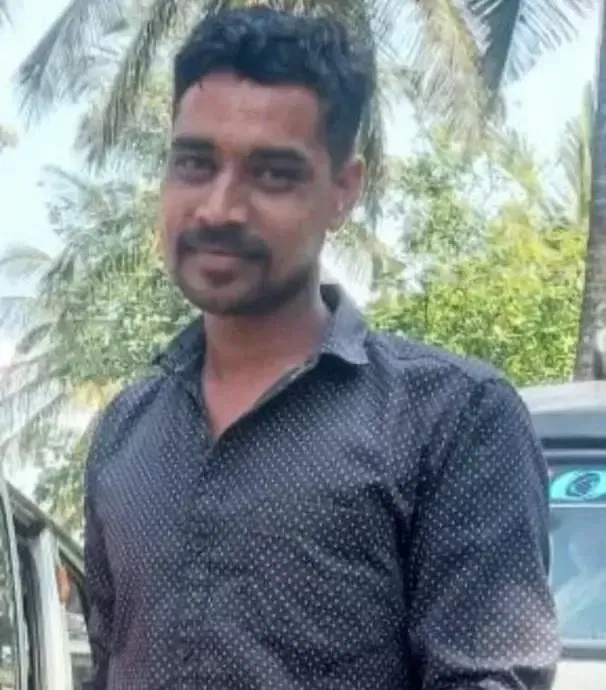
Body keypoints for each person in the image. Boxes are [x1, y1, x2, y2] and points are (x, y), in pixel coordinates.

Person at [83, 6, 560, 689]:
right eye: (194, 163)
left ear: (343, 190)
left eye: (272, 174)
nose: (219, 207)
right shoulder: (126, 432)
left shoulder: (452, 420)